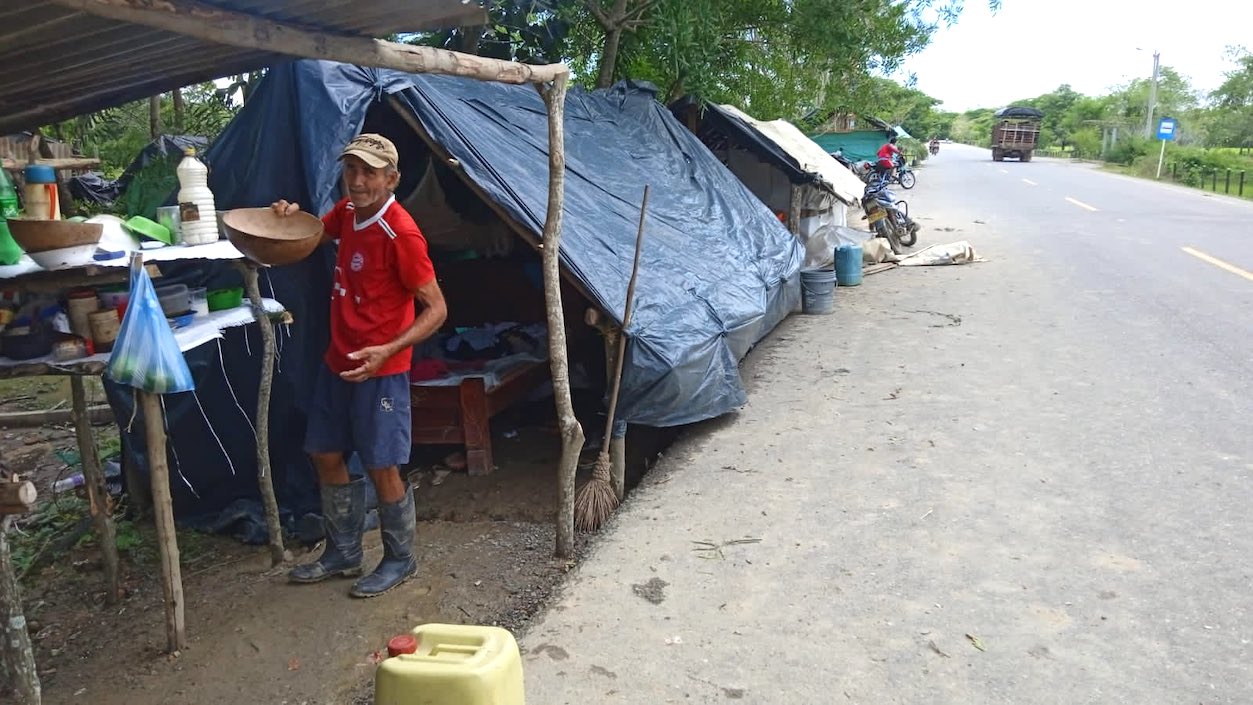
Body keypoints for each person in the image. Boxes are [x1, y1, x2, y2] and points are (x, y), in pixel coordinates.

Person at [271, 133, 448, 598]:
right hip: (340, 358)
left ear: (392, 179)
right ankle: (344, 551)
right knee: (324, 452)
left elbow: (437, 309)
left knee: (381, 465)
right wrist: (289, 219)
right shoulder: (347, 213)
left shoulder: (401, 233)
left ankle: (400, 558)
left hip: (381, 367)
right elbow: (315, 234)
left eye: (369, 172)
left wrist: (389, 350)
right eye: (351, 169)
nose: (358, 180)